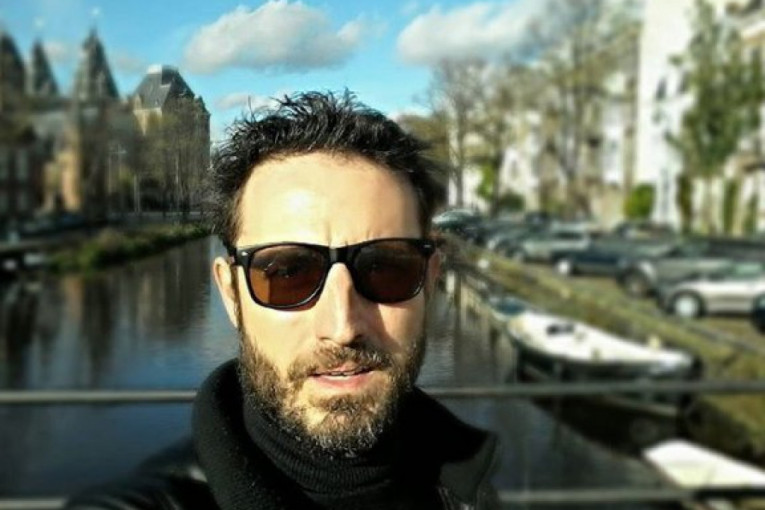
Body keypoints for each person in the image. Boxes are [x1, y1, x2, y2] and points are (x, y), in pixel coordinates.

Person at [65, 91, 500, 510]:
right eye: (289, 274)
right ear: (231, 293)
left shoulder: (490, 481)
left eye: (385, 268)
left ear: (431, 279)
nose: (342, 326)